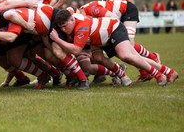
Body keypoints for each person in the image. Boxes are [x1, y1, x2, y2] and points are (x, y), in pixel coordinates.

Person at [50, 9, 178, 87]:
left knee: (126, 56)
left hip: (113, 29)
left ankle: (159, 75)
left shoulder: (81, 27)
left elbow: (76, 50)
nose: (63, 29)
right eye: (61, 27)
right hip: (99, 39)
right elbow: (71, 10)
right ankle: (169, 72)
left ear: (72, 20)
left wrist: (57, 39)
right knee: (99, 58)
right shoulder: (72, 17)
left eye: (65, 26)